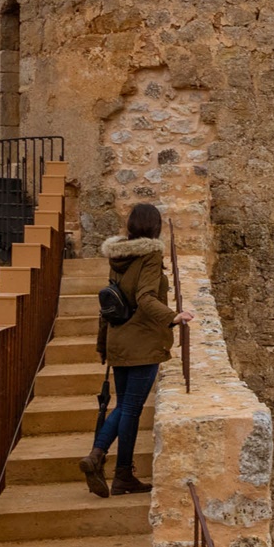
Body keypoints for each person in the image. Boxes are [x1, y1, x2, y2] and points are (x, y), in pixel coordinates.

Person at [81, 202, 193, 497]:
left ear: (131, 225)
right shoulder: (151, 254)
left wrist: (102, 345)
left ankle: (114, 471)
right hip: (142, 342)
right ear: (154, 227)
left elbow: (108, 304)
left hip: (119, 339)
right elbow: (144, 297)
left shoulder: (118, 255)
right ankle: (104, 460)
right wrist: (174, 317)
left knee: (125, 406)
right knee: (130, 408)